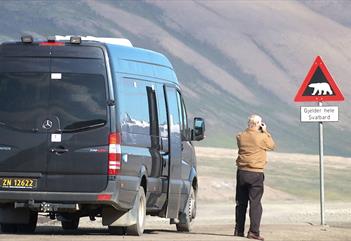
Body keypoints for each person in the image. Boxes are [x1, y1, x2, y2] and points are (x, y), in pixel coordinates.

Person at [234, 114, 275, 241]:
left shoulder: (240, 136)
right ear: (258, 124)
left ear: (248, 124)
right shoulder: (262, 137)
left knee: (241, 203)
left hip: (241, 172)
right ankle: (253, 232)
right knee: (255, 204)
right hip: (256, 173)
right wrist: (265, 131)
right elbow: (272, 146)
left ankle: (238, 230)